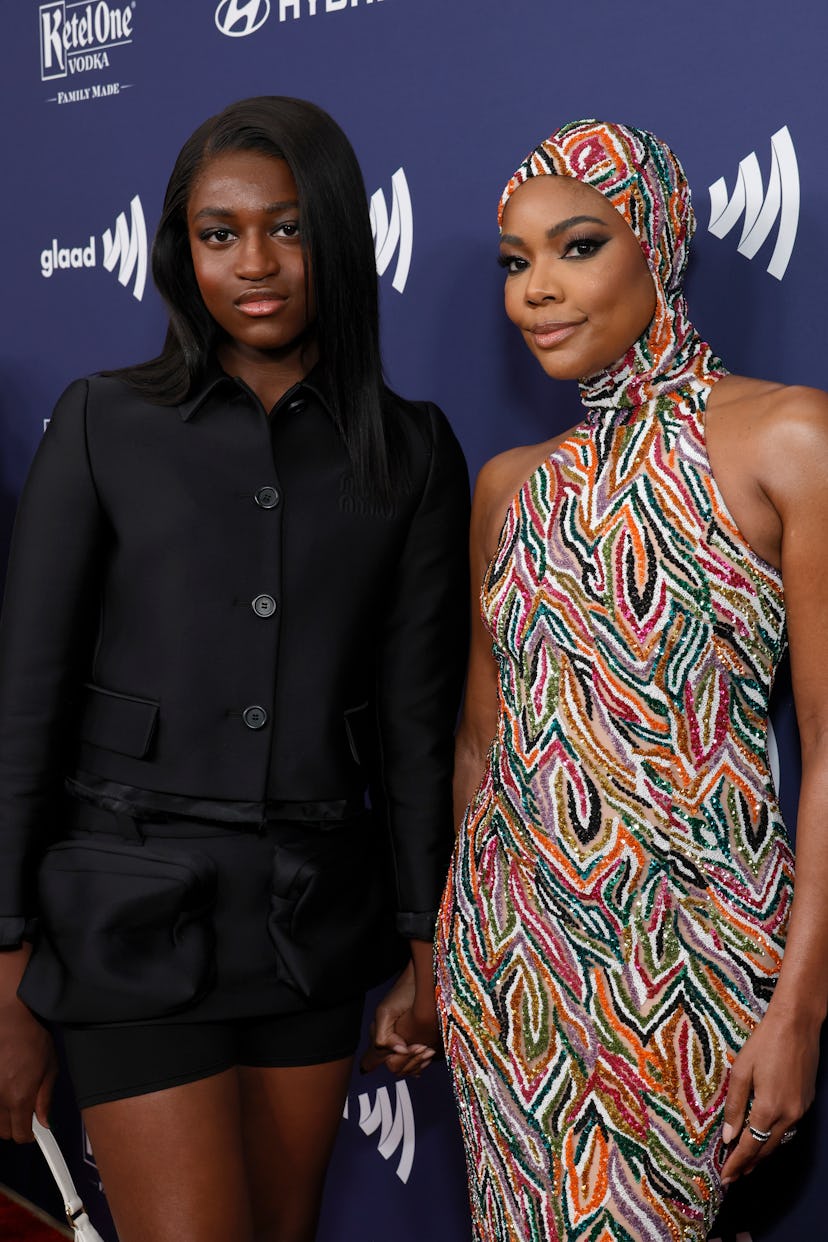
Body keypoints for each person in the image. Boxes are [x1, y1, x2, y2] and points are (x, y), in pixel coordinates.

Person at [0, 96, 469, 1242]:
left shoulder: (409, 449)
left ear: (341, 242)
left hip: (311, 926)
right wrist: (2, 976)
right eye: (220, 233)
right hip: (125, 915)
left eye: (289, 228)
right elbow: (25, 706)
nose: (254, 264)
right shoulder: (105, 420)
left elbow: (417, 723)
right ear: (182, 250)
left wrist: (425, 946)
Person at [435, 118, 828, 1241]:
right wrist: (460, 945)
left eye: (577, 247)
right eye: (516, 261)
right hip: (509, 972)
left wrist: (799, 1007)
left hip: (692, 965)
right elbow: (480, 744)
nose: (536, 292)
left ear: (655, 244)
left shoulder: (786, 439)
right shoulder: (510, 486)